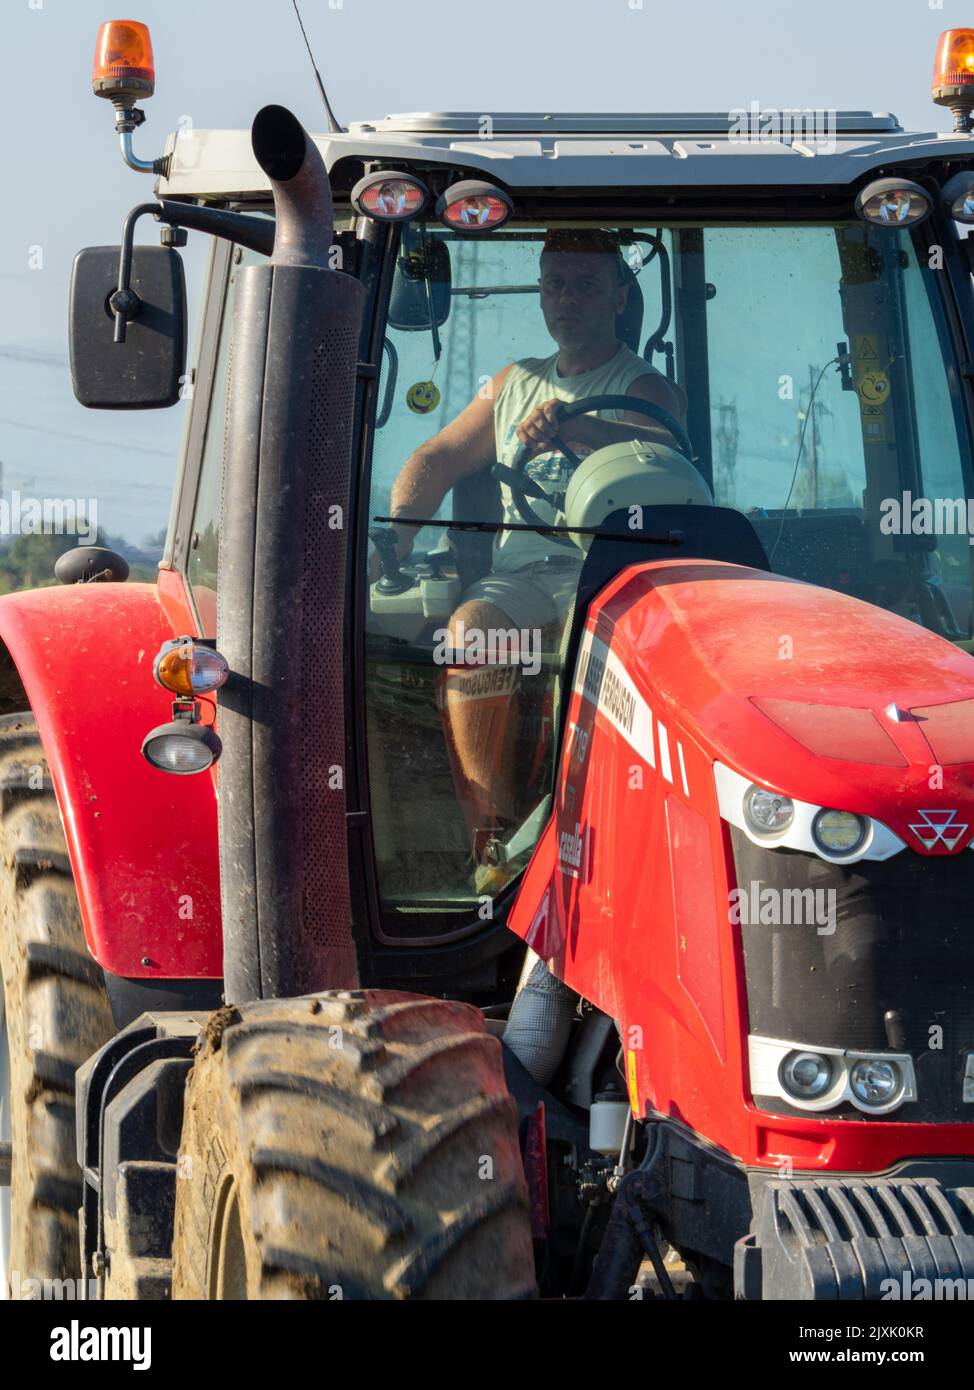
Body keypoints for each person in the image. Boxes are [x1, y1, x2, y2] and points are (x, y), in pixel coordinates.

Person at [378, 228, 688, 866]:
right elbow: (437, 457)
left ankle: (600, 833)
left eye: (586, 284)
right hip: (523, 575)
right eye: (556, 284)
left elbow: (653, 444)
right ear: (541, 294)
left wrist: (576, 428)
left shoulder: (645, 388)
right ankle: (492, 840)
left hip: (608, 573)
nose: (567, 298)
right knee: (472, 631)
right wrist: (395, 538)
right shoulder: (513, 382)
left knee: (600, 649)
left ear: (620, 297)